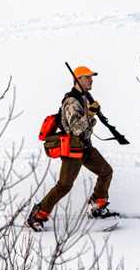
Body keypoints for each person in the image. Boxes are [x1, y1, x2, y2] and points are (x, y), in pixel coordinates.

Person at [27, 65, 115, 230]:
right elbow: (75, 129)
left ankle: (97, 205)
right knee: (64, 186)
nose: (91, 80)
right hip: (73, 150)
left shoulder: (83, 98)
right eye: (88, 77)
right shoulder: (71, 101)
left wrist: (92, 115)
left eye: (91, 77)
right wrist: (90, 114)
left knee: (106, 172)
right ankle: (37, 215)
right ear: (79, 80)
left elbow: (85, 125)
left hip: (86, 147)